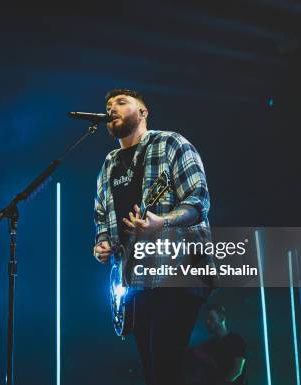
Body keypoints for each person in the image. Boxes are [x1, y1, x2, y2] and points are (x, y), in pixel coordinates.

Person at [93, 88, 213, 385]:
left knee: (165, 366)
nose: (112, 109)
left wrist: (162, 222)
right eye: (108, 106)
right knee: (152, 371)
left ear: (143, 112)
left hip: (178, 270)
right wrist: (102, 243)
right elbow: (101, 216)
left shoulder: (171, 143)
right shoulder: (109, 163)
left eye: (121, 103)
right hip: (135, 280)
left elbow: (198, 201)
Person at [189, 304, 246, 385]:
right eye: (206, 319)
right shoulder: (208, 345)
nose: (207, 322)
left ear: (222, 318)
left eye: (211, 318)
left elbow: (237, 370)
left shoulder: (236, 340)